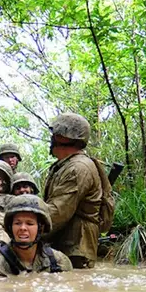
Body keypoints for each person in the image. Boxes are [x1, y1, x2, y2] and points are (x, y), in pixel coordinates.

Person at [43, 113, 103, 269]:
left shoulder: (77, 168)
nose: (52, 138)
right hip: (69, 246)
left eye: (55, 134)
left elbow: (57, 212)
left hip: (76, 250)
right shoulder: (66, 165)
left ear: (62, 138)